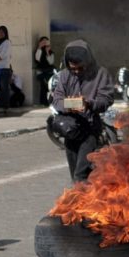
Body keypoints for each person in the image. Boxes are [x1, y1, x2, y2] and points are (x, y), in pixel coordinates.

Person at [50, 39, 115, 183]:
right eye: (73, 69)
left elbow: (106, 100)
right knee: (75, 175)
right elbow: (57, 99)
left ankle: (88, 201)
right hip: (70, 129)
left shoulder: (101, 74)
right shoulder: (65, 75)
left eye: (80, 68)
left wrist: (89, 104)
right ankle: (84, 202)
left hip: (89, 130)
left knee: (81, 175)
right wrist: (69, 105)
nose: (77, 72)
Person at [34, 36, 56, 105]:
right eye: (43, 42)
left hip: (49, 72)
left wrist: (47, 52)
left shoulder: (51, 52)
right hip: (41, 72)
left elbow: (51, 62)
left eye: (45, 42)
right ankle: (43, 102)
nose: (44, 44)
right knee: (43, 86)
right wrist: (39, 47)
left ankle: (51, 101)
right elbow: (37, 59)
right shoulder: (39, 50)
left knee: (51, 87)